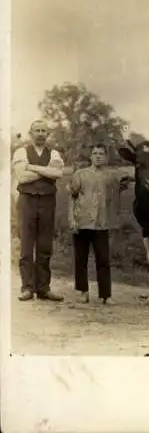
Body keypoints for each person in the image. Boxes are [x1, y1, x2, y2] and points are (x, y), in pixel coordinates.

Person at [68, 144, 131, 305]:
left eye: (101, 153)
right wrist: (72, 219)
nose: (97, 156)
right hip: (82, 222)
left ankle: (106, 295)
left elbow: (126, 182)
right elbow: (72, 197)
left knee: (103, 259)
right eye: (94, 153)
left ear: (105, 157)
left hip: (102, 223)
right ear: (90, 156)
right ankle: (83, 292)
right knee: (80, 259)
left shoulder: (111, 176)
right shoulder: (80, 174)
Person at [12, 119, 64, 301]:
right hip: (27, 201)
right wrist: (46, 171)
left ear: (47, 134)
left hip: (48, 202)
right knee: (26, 245)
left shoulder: (54, 153)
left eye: (44, 131)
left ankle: (43, 288)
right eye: (37, 130)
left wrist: (32, 167)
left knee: (45, 246)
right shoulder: (21, 151)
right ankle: (27, 287)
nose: (41, 133)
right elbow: (22, 177)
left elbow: (57, 173)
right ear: (31, 133)